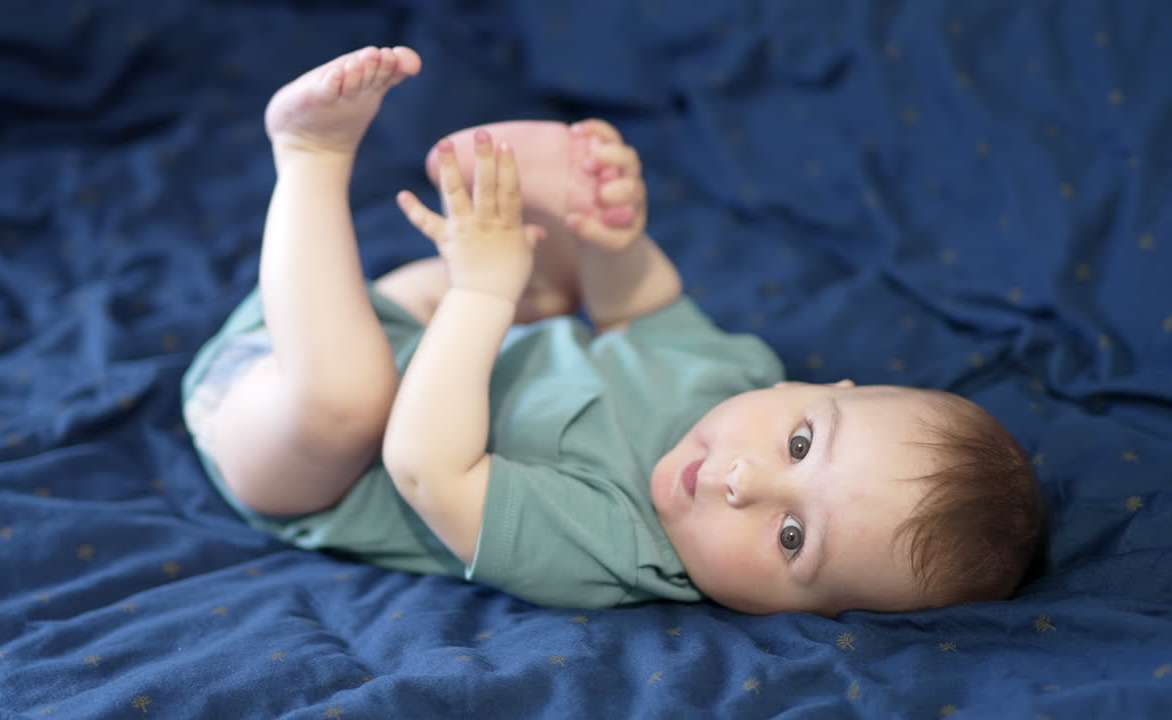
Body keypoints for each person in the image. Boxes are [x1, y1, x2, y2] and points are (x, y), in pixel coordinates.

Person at [181, 45, 1045, 615]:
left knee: (352, 395)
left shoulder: (617, 549)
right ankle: (563, 217)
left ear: (804, 617)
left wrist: (483, 295)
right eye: (800, 443)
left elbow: (425, 467)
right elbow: (641, 311)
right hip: (393, 326)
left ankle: (310, 161)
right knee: (557, 282)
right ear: (818, 390)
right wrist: (616, 240)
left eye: (792, 539)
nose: (744, 481)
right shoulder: (733, 374)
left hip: (290, 447)